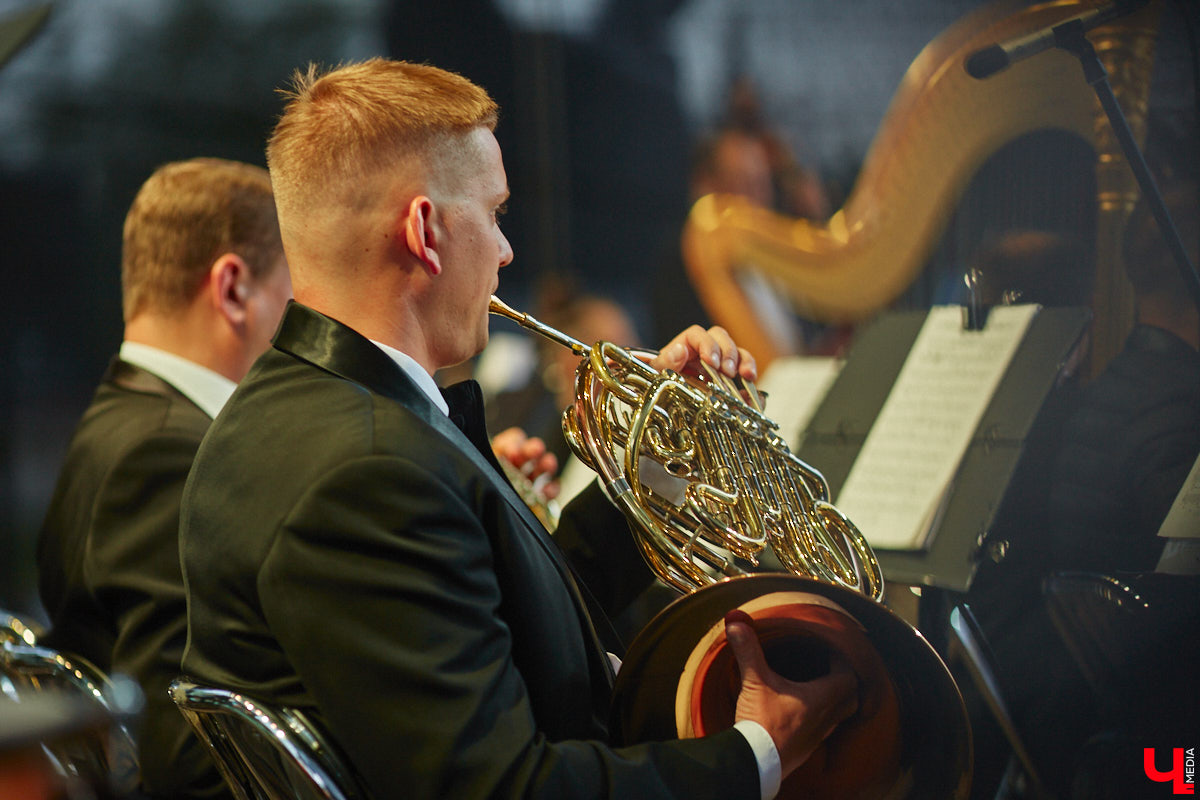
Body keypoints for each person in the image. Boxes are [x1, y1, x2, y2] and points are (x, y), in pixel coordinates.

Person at [179, 58, 858, 800]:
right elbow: (509, 789)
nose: (506, 252)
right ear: (425, 231)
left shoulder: (307, 408)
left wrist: (667, 451)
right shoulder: (367, 470)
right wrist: (758, 752)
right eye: (496, 214)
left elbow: (507, 612)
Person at [36, 158, 292, 799]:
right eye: (297, 296)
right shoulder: (170, 452)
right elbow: (188, 754)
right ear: (233, 288)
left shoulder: (122, 422)